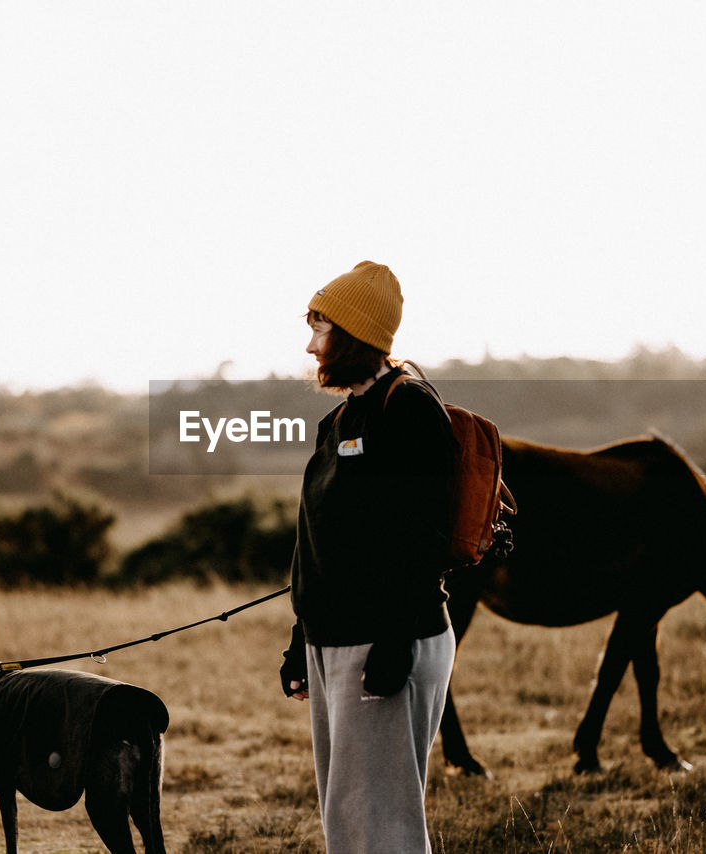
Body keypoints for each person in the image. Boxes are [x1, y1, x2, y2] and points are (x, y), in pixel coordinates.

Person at [280, 260, 457, 853]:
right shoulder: (338, 420)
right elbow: (321, 537)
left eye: (320, 329)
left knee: (379, 826)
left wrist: (394, 639)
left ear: (353, 335)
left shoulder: (407, 408)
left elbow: (424, 536)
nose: (310, 346)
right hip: (333, 638)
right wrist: (300, 639)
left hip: (387, 640)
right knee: (350, 820)